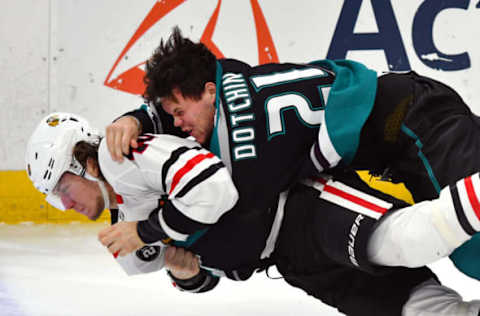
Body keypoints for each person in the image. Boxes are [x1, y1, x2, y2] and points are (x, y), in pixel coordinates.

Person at [106, 26, 480, 279]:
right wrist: (139, 118)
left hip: (413, 123)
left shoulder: (241, 146)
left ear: (207, 91)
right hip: (407, 121)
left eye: (179, 114)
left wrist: (145, 231)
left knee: (473, 250)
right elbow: (220, 70)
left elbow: (228, 220)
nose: (180, 126)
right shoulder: (233, 78)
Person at [26, 112, 480, 315]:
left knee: (401, 242)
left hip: (303, 211)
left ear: (79, 160)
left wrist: (146, 230)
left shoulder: (122, 155)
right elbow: (204, 262)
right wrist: (189, 275)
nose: (66, 204)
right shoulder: (121, 209)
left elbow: (210, 187)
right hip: (288, 260)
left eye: (63, 187)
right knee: (415, 310)